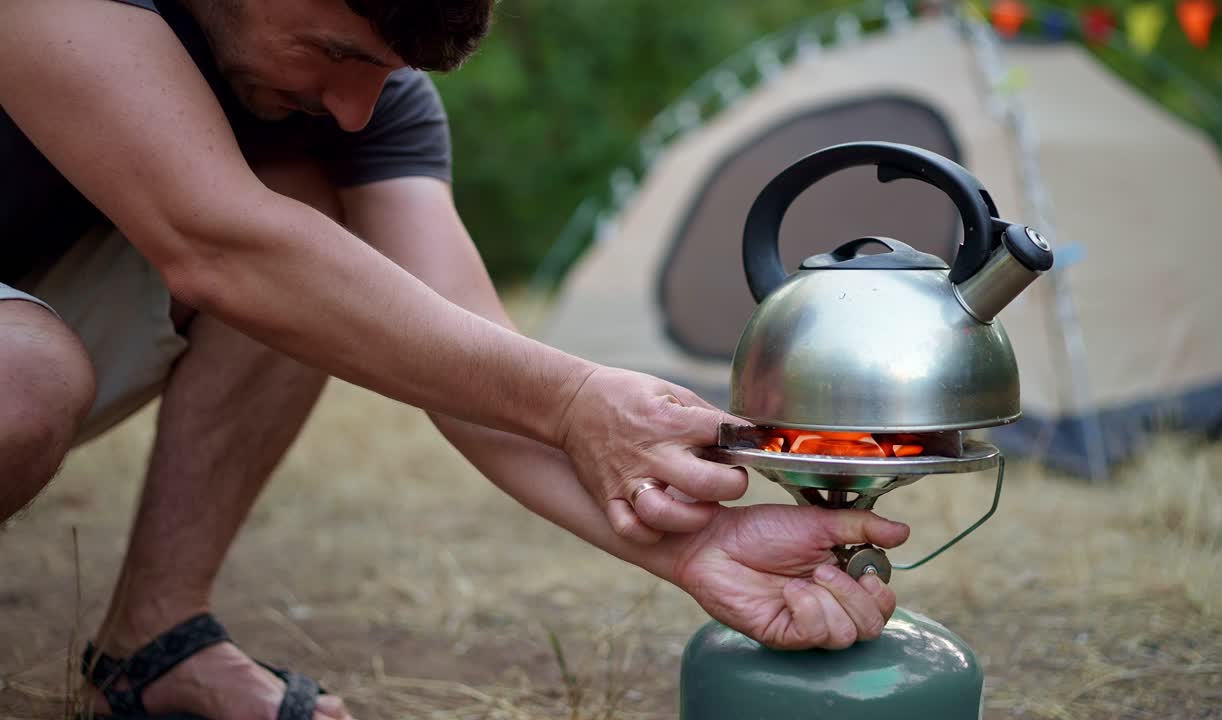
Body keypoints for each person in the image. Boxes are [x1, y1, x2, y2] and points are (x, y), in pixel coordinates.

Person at [0, 0, 911, 717]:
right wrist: (577, 398)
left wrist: (702, 544)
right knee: (26, 378)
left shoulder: (366, 109)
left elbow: (470, 357)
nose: (355, 107)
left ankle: (152, 642)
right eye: (337, 54)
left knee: (313, 223)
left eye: (384, 73)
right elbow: (220, 245)